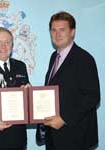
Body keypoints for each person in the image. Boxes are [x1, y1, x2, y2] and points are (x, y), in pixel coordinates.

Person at [38, 11, 100, 150]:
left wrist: (64, 118)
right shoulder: (54, 57)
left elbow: (92, 96)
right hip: (54, 135)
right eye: (53, 30)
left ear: (72, 32)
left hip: (75, 136)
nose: (57, 34)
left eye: (62, 30)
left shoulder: (84, 59)